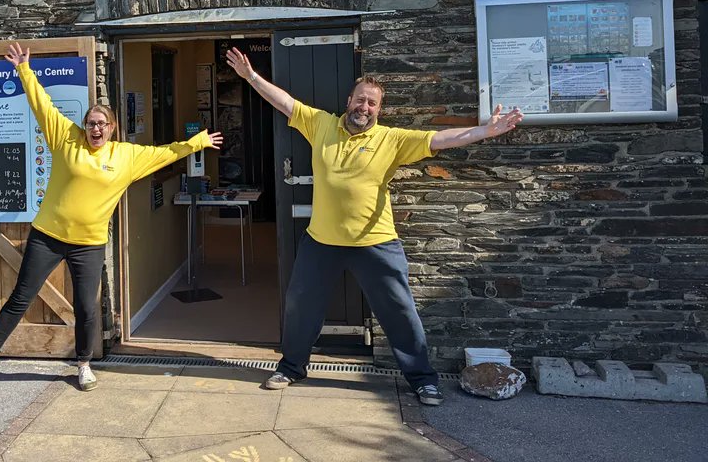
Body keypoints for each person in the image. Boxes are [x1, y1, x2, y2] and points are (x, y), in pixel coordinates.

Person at [224, 47, 523, 406]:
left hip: (376, 243)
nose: (364, 108)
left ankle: (422, 379)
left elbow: (441, 140)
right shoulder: (320, 124)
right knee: (300, 305)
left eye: (372, 104)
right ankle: (291, 367)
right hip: (322, 242)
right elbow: (285, 102)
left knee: (400, 312)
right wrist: (251, 77)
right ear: (348, 100)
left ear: (379, 110)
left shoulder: (391, 139)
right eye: (360, 100)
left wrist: (485, 132)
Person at [0, 42, 223, 395]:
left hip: (89, 243)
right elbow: (42, 105)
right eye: (90, 123)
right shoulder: (65, 138)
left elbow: (164, 153)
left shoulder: (126, 156)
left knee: (86, 307)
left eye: (101, 124)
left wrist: (197, 142)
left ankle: (83, 364)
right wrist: (24, 69)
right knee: (22, 297)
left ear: (113, 127)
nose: (94, 129)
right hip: (48, 236)